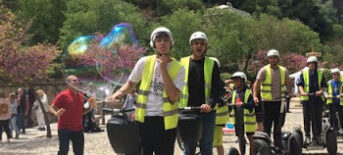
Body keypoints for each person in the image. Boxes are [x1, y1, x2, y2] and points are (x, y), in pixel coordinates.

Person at [110, 27, 185, 155]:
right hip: (144, 120)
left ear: (171, 43)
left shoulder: (179, 68)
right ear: (154, 44)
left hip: (165, 122)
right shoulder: (144, 62)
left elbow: (173, 96)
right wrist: (119, 93)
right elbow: (130, 84)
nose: (162, 43)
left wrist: (163, 68)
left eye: (166, 40)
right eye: (159, 40)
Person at [179, 31, 221, 155]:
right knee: (188, 148)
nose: (199, 46)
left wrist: (210, 104)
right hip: (187, 111)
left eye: (202, 44)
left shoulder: (211, 64)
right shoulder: (181, 62)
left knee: (206, 147)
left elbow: (216, 88)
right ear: (191, 45)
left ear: (205, 46)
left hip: (207, 112)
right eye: (196, 43)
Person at [253, 49, 291, 152]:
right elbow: (256, 84)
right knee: (267, 126)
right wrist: (255, 96)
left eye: (274, 58)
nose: (273, 60)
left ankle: (278, 146)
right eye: (271, 58)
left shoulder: (283, 70)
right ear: (268, 59)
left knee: (278, 126)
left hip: (279, 102)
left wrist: (290, 93)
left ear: (278, 58)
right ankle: (266, 146)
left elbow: (288, 83)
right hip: (267, 102)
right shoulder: (264, 70)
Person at [49, 75, 96, 155]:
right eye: (74, 80)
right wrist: (56, 113)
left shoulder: (81, 96)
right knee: (64, 151)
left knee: (79, 152)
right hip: (64, 129)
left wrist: (89, 107)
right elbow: (51, 107)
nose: (77, 82)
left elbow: (81, 112)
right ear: (68, 83)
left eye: (77, 80)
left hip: (78, 129)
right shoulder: (63, 95)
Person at [297, 56, 327, 146]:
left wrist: (321, 91)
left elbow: (324, 85)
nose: (312, 65)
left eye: (314, 64)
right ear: (308, 64)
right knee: (307, 119)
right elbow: (300, 84)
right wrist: (302, 92)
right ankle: (307, 136)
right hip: (307, 99)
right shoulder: (304, 73)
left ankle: (317, 136)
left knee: (317, 119)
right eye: (310, 64)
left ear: (316, 65)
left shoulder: (320, 73)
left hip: (317, 99)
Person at [230, 72, 256, 155]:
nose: (236, 83)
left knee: (251, 138)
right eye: (234, 81)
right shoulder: (234, 92)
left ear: (243, 81)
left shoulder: (248, 92)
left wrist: (244, 104)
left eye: (238, 81)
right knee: (240, 138)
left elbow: (252, 104)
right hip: (238, 119)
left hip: (247, 120)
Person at [212, 58, 229, 155]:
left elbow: (228, 94)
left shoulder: (219, 82)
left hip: (218, 118)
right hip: (211, 116)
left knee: (217, 142)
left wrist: (221, 101)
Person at [327, 68, 343, 135]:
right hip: (331, 102)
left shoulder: (342, 83)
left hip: (340, 102)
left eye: (336, 75)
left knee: (341, 116)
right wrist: (326, 96)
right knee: (331, 116)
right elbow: (324, 91)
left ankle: (341, 128)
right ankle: (332, 127)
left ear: (339, 75)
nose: (335, 76)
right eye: (333, 75)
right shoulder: (329, 83)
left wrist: (341, 95)